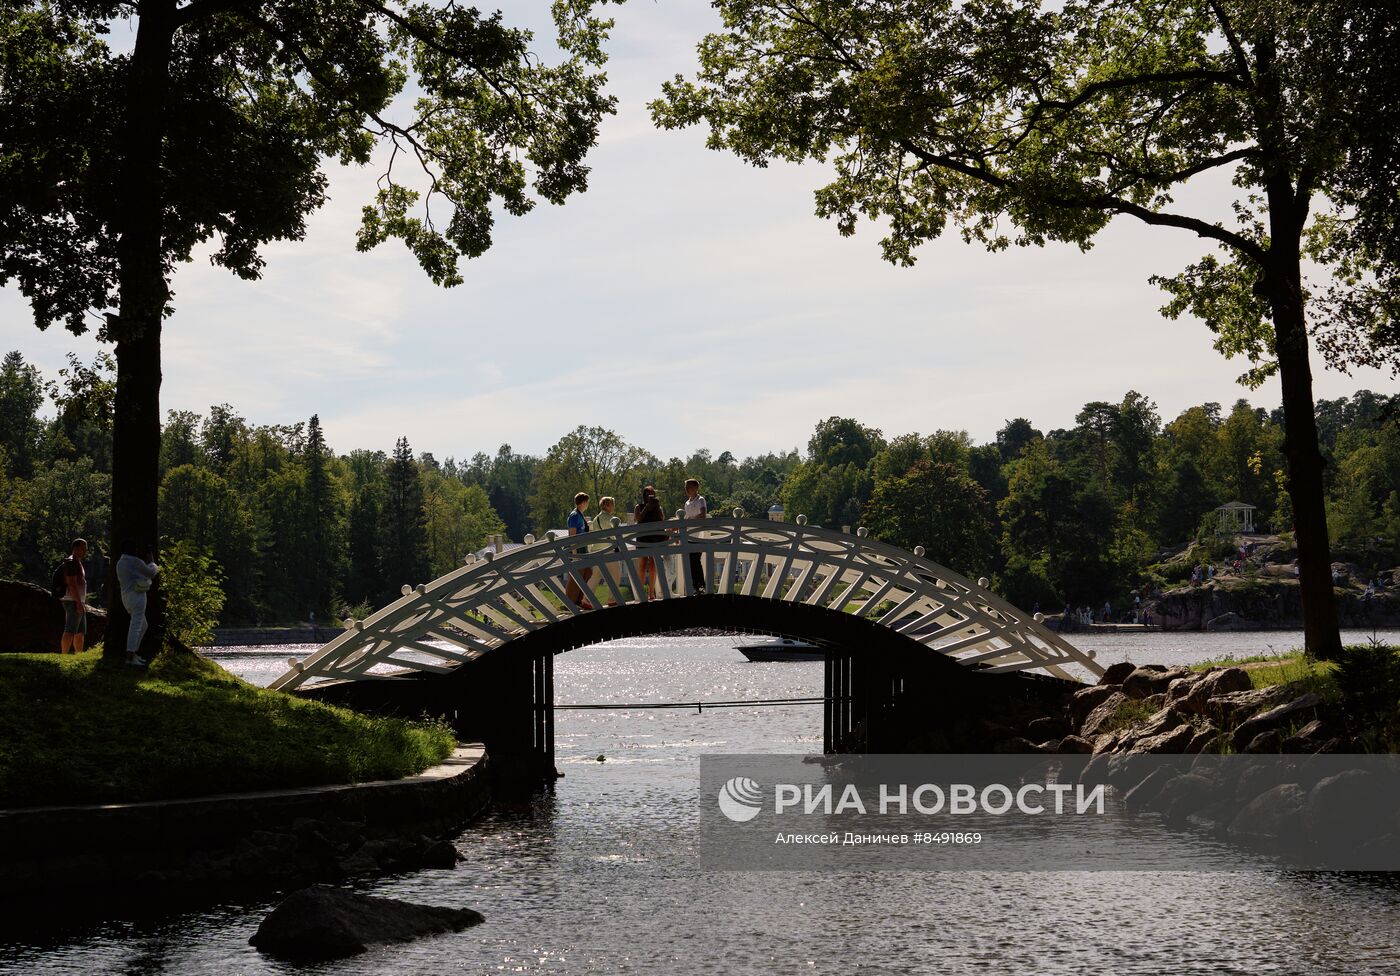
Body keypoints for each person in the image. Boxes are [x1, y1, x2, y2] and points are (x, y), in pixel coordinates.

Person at [115, 541, 160, 666]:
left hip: (126, 597)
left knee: (143, 625)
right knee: (136, 626)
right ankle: (130, 656)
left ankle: (134, 653)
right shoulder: (135, 561)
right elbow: (151, 573)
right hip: (137, 597)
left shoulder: (120, 562)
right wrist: (152, 562)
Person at [634, 486, 667, 600]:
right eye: (648, 494)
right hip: (643, 537)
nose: (650, 496)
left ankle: (651, 592)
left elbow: (662, 518)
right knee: (643, 564)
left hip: (656, 538)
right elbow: (638, 519)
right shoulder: (639, 507)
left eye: (652, 494)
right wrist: (647, 508)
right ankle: (641, 592)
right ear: (644, 496)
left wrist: (656, 506)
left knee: (653, 564)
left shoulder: (658, 506)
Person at [57, 538, 89, 654]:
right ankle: (64, 655)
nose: (85, 551)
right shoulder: (71, 562)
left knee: (80, 632)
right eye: (83, 549)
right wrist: (78, 602)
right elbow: (71, 583)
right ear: (75, 548)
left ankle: (78, 655)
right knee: (70, 630)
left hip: (78, 600)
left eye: (85, 549)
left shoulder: (77, 562)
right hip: (72, 600)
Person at [564, 492, 594, 611]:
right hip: (577, 550)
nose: (588, 504)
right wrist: (574, 553)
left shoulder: (580, 515)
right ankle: (569, 602)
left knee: (588, 572)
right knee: (576, 575)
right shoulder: (574, 515)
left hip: (583, 549)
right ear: (583, 502)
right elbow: (572, 535)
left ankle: (578, 599)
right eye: (587, 502)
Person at [591, 496, 623, 606]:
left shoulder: (596, 519)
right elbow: (613, 533)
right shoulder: (609, 518)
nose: (613, 507)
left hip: (597, 550)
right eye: (612, 504)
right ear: (607, 505)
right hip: (608, 549)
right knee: (616, 573)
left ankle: (586, 599)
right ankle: (611, 599)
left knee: (596, 575)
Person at [682, 478, 708, 595]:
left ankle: (701, 585)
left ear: (696, 488)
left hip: (698, 536)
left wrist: (691, 520)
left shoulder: (700, 500)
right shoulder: (687, 503)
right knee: (690, 562)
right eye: (686, 487)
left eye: (689, 487)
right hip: (688, 536)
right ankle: (694, 586)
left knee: (696, 561)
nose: (687, 489)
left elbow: (703, 514)